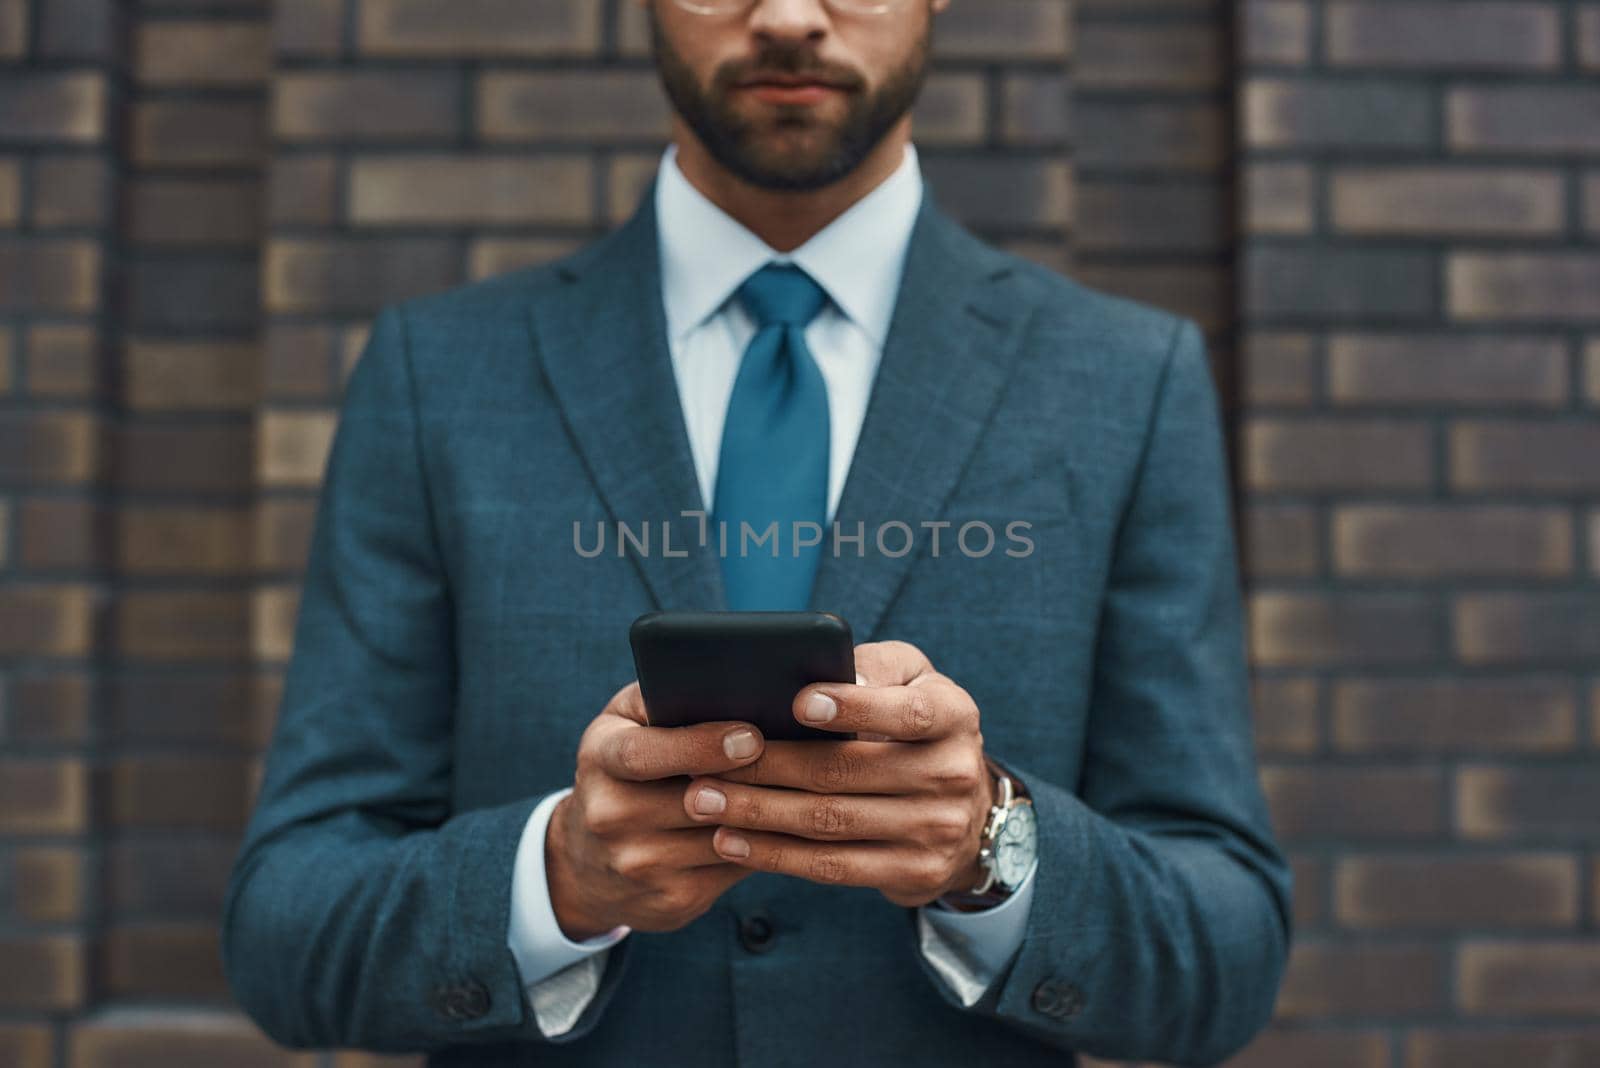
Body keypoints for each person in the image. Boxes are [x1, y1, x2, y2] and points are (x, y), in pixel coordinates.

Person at [221, 0, 1292, 1064]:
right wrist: (556, 877)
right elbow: (287, 934)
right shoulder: (438, 376)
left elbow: (1226, 956)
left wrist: (987, 847)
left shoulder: (1124, 383)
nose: (786, 15)